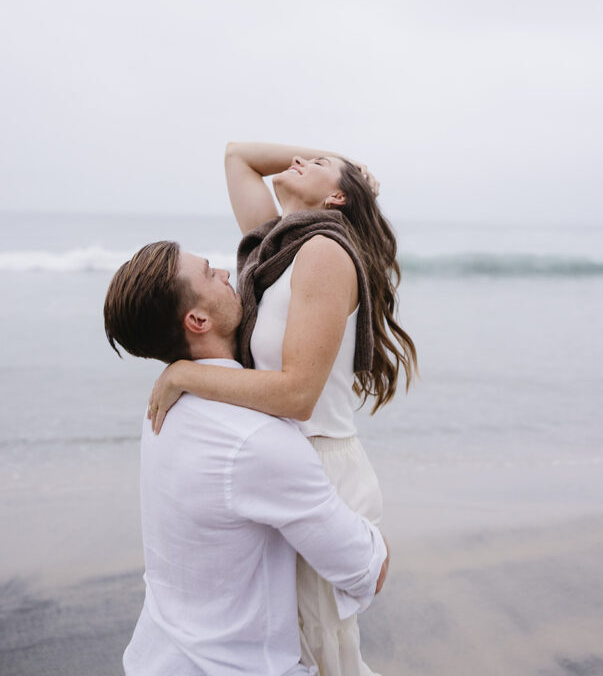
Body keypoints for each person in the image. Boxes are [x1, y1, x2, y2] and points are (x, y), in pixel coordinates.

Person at [147, 142, 417, 676]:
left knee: (320, 652)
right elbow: (237, 157)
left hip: (318, 466)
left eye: (317, 168)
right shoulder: (275, 244)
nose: (299, 163)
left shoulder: (324, 253)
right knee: (281, 642)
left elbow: (298, 394)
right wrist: (334, 156)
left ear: (336, 197)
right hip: (277, 463)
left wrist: (184, 373)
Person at [103, 240, 388, 676]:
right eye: (208, 273)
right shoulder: (257, 441)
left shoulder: (163, 407)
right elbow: (365, 571)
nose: (225, 273)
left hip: (156, 656)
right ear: (197, 320)